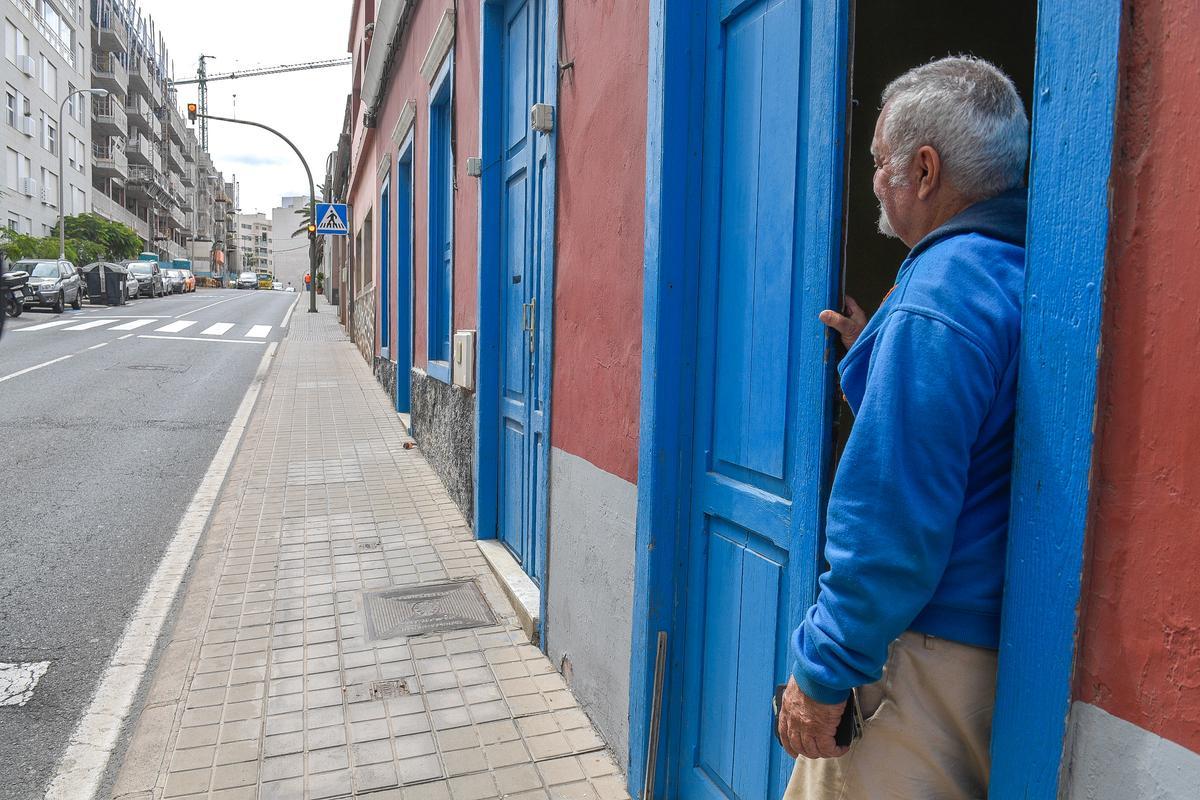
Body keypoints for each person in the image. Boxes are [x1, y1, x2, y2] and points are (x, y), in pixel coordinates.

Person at [778, 56, 1030, 799]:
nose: (875, 182)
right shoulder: (1011, 269)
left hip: (919, 661)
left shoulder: (940, 293)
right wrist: (881, 356)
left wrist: (822, 672)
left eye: (880, 162)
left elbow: (889, 521)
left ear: (924, 170)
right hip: (982, 662)